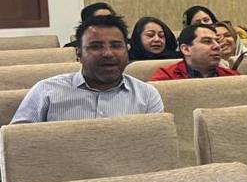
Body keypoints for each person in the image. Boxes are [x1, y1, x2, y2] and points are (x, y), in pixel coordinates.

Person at [11, 14, 163, 123]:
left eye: (116, 46)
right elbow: (17, 145)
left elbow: (156, 147)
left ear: (127, 50)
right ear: (79, 54)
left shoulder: (147, 95)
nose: (108, 53)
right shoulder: (46, 91)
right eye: (96, 46)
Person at [151, 24, 240, 80]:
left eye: (217, 41)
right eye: (207, 41)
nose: (217, 46)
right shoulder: (166, 78)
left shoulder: (232, 77)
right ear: (186, 49)